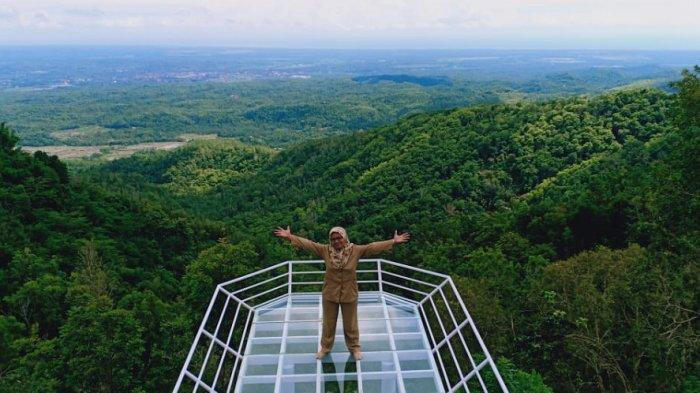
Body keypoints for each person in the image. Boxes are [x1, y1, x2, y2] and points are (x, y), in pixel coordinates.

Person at [274, 226, 410, 360]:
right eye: (333, 239)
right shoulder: (325, 250)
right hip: (330, 294)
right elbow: (309, 245)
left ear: (345, 238)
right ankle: (325, 348)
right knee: (328, 324)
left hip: (349, 293)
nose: (336, 241)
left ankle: (354, 348)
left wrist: (392, 241)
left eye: (339, 238)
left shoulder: (355, 250)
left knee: (350, 323)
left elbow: (372, 247)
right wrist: (290, 237)